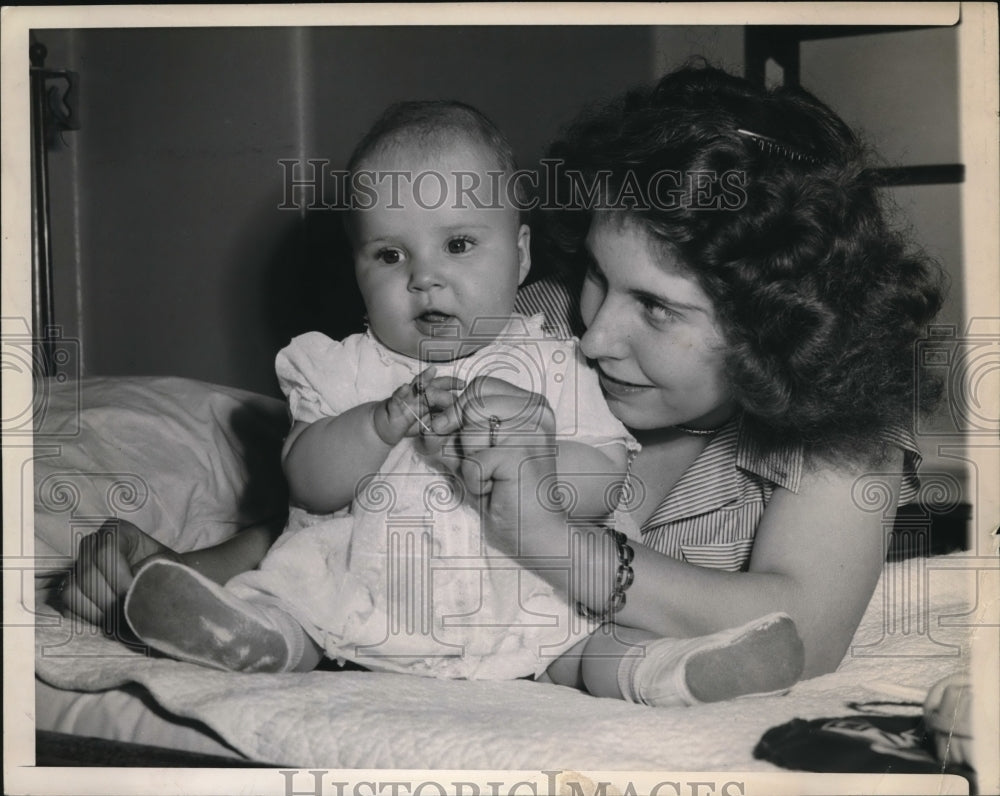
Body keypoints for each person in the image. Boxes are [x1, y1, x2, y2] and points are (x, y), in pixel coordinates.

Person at [61, 64, 943, 708]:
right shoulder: (541, 322)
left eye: (657, 308)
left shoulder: (845, 427)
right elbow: (356, 510)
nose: (595, 333)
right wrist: (179, 574)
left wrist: (544, 534)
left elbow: (805, 633)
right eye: (597, 273)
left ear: (778, 329)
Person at [116, 100, 636, 680]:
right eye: (390, 255)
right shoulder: (346, 368)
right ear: (356, 270)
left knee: (588, 640)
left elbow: (607, 478)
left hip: (522, 585)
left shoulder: (554, 363)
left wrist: (527, 459)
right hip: (371, 583)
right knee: (301, 596)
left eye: (458, 245)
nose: (423, 277)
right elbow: (309, 484)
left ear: (519, 257)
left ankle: (659, 672)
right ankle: (252, 637)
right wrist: (376, 424)